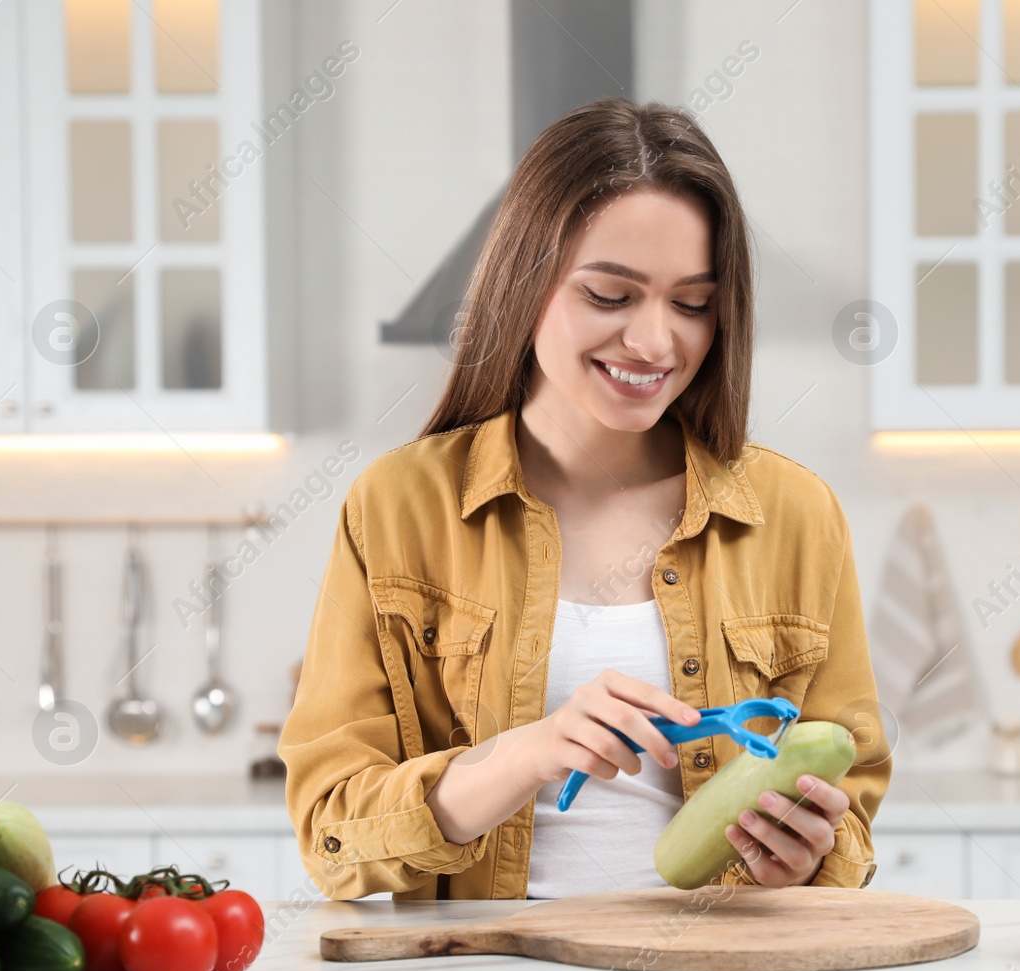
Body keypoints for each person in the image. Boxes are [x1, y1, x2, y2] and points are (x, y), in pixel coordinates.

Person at [280, 97, 890, 901]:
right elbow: (332, 835)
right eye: (610, 295)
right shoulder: (398, 507)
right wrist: (524, 753)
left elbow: (851, 805)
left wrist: (812, 855)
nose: (654, 342)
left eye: (693, 303)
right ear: (523, 283)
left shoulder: (797, 515)